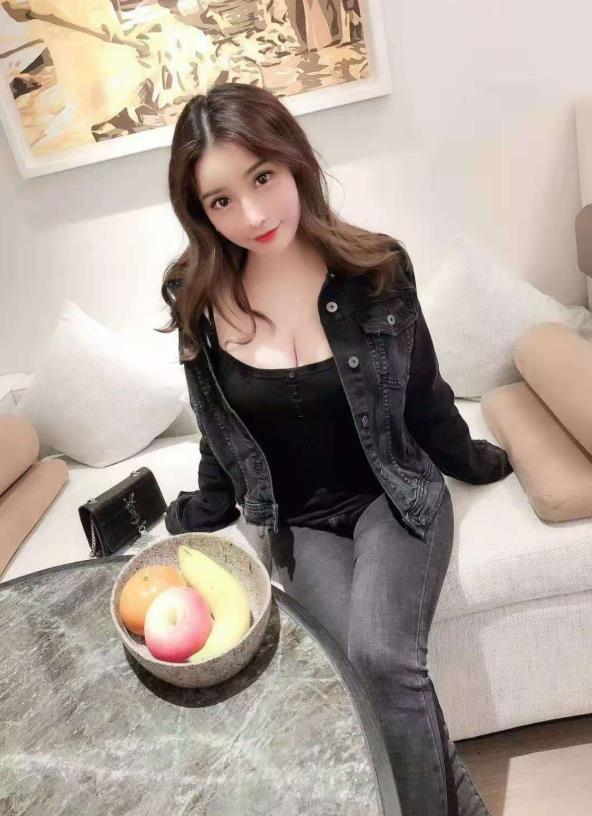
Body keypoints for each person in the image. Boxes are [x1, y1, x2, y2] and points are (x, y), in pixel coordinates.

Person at [158, 81, 512, 816]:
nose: (253, 214)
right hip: (296, 521)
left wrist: (478, 461)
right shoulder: (195, 297)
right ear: (200, 212)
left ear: (293, 161)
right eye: (221, 200)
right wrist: (205, 510)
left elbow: (425, 396)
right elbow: (215, 426)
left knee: (382, 655)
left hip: (391, 493)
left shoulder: (375, 270)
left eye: (262, 177)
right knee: (358, 666)